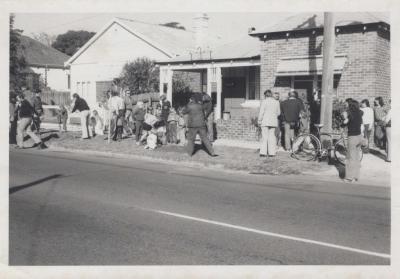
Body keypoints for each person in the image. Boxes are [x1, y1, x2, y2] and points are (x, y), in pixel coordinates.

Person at [342, 99, 363, 183]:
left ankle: (349, 178)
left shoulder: (350, 114)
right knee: (356, 158)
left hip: (352, 137)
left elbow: (344, 123)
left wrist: (344, 118)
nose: (346, 105)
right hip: (359, 137)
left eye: (347, 104)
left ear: (350, 105)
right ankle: (356, 176)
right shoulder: (359, 113)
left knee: (350, 158)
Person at [258, 90, 281, 157]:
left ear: (265, 95)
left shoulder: (264, 102)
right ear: (271, 95)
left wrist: (259, 120)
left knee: (264, 137)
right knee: (272, 137)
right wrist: (273, 116)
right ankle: (272, 153)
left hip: (265, 121)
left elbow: (261, 112)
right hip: (273, 121)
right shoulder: (276, 102)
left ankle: (263, 152)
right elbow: (278, 113)